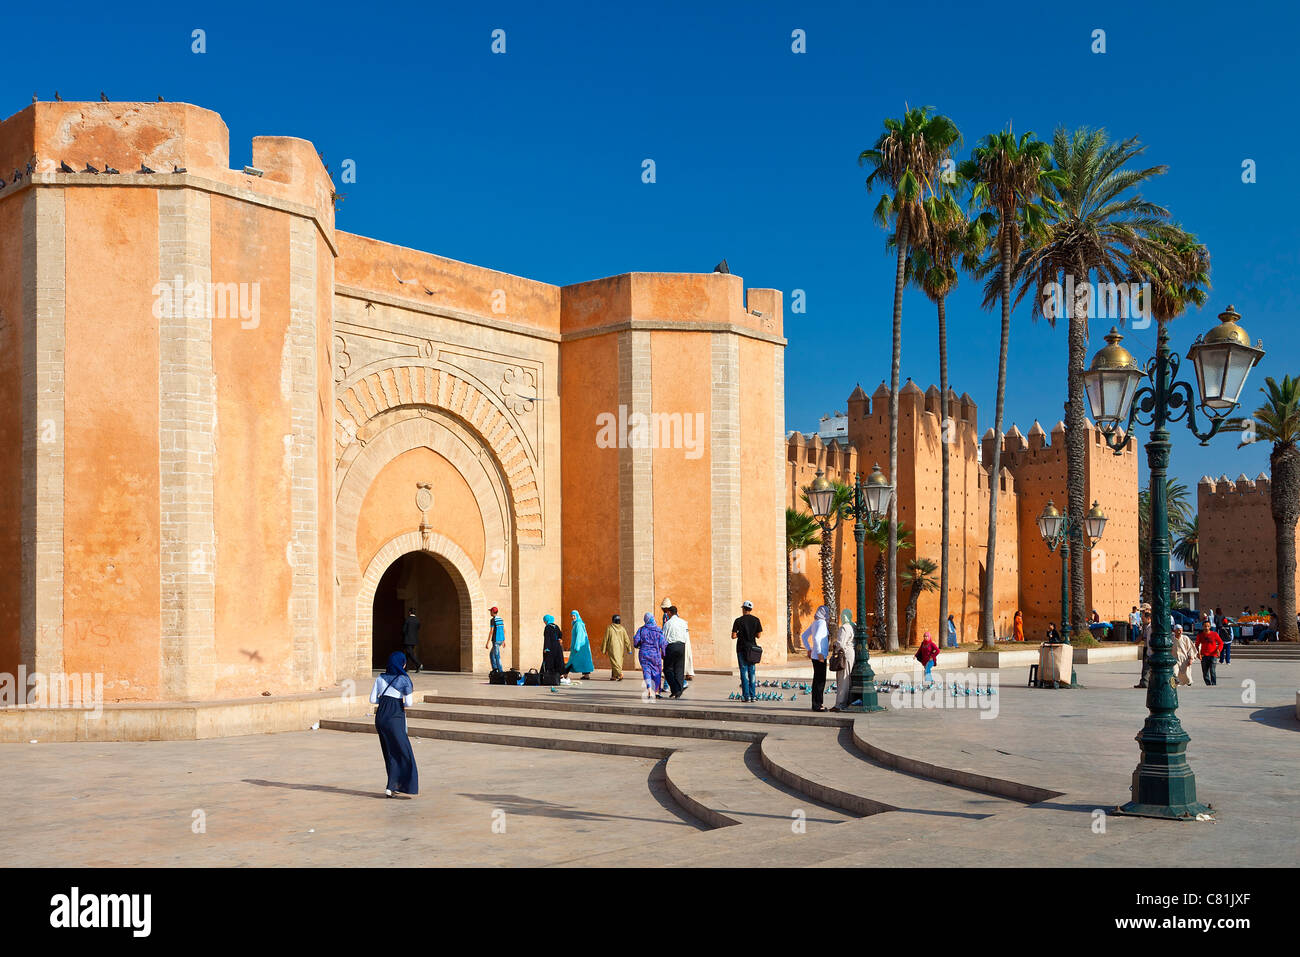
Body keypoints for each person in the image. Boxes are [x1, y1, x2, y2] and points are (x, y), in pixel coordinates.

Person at [369, 651, 418, 797]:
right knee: (404, 752)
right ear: (402, 663)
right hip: (395, 717)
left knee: (389, 751)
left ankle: (391, 786)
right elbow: (408, 703)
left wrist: (384, 701)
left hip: (381, 717)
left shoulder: (380, 678)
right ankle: (401, 785)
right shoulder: (403, 679)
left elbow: (372, 700)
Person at [731, 600, 762, 703]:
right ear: (751, 609)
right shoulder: (756, 620)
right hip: (752, 649)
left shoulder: (738, 621)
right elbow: (758, 635)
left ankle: (746, 696)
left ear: (744, 609)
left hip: (741, 649)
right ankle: (753, 696)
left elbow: (733, 636)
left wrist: (741, 634)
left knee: (744, 673)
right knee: (752, 673)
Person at [800, 605, 830, 711]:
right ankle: (818, 705)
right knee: (820, 681)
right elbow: (817, 638)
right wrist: (820, 653)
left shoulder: (815, 623)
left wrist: (809, 649)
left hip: (815, 656)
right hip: (819, 656)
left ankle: (816, 704)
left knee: (817, 680)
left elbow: (803, 636)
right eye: (827, 612)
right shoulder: (821, 623)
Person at [633, 612, 666, 698]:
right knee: (657, 672)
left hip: (644, 654)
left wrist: (638, 645)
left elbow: (636, 641)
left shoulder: (641, 630)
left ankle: (649, 690)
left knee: (646, 671)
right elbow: (663, 643)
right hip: (655, 655)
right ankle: (657, 692)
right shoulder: (658, 630)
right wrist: (664, 654)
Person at [661, 605, 689, 698]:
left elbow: (664, 638)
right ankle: (678, 691)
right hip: (681, 646)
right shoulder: (683, 622)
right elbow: (686, 636)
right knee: (679, 669)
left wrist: (662, 651)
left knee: (667, 669)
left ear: (669, 612)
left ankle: (676, 689)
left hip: (671, 646)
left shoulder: (667, 623)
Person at [832, 609, 856, 711]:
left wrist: (835, 646)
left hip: (844, 654)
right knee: (848, 678)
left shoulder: (844, 628)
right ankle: (846, 701)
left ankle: (840, 704)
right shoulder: (853, 626)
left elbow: (841, 643)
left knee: (842, 678)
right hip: (851, 653)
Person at [601, 614, 631, 681]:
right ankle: (614, 676)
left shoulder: (610, 628)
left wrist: (603, 649)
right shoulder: (622, 628)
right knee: (618, 662)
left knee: (614, 662)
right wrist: (629, 649)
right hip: (620, 648)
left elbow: (606, 639)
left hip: (612, 648)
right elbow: (627, 639)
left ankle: (619, 674)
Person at [568, 610, 594, 679]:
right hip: (582, 646)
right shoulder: (578, 623)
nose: (573, 617)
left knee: (572, 659)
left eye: (574, 616)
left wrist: (577, 646)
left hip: (579, 646)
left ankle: (564, 674)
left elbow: (579, 635)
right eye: (572, 616)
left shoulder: (578, 624)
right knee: (583, 660)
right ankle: (586, 675)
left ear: (577, 616)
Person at [1195, 621, 1222, 686]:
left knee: (1212, 671)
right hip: (1204, 656)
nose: (1206, 628)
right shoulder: (1200, 635)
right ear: (1202, 627)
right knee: (1205, 672)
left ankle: (1214, 684)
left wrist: (1218, 650)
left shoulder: (1214, 634)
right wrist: (1198, 653)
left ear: (1210, 627)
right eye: (1205, 626)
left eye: (1208, 626)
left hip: (1213, 655)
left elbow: (1221, 643)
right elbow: (1197, 645)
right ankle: (1208, 685)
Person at [541, 614, 566, 683]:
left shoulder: (547, 627)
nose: (544, 622)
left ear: (546, 620)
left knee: (550, 661)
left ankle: (549, 676)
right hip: (557, 646)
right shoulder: (556, 626)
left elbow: (547, 638)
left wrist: (546, 648)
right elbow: (560, 635)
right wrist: (559, 639)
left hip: (551, 646)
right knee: (558, 660)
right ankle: (560, 675)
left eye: (544, 621)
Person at [401, 608, 423, 674]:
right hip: (414, 640)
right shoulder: (417, 620)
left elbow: (404, 630)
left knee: (410, 653)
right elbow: (418, 628)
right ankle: (406, 668)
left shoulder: (407, 620)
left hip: (408, 639)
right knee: (408, 654)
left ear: (410, 612)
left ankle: (418, 664)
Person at [485, 606, 506, 673]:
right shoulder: (500, 619)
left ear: (493, 612)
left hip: (496, 640)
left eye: (490, 611)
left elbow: (491, 631)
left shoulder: (493, 620)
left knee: (497, 656)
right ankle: (495, 669)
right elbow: (504, 630)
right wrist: (503, 640)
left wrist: (487, 643)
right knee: (492, 654)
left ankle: (500, 671)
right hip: (500, 640)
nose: (490, 613)